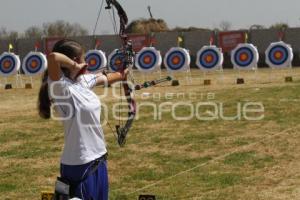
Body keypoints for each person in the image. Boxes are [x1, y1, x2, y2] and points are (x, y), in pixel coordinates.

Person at [38, 39, 128, 200]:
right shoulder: (60, 87)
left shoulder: (81, 81)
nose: (86, 63)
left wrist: (122, 74)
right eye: (83, 59)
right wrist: (75, 67)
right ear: (74, 61)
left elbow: (104, 78)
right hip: (79, 164)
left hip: (99, 158)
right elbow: (53, 58)